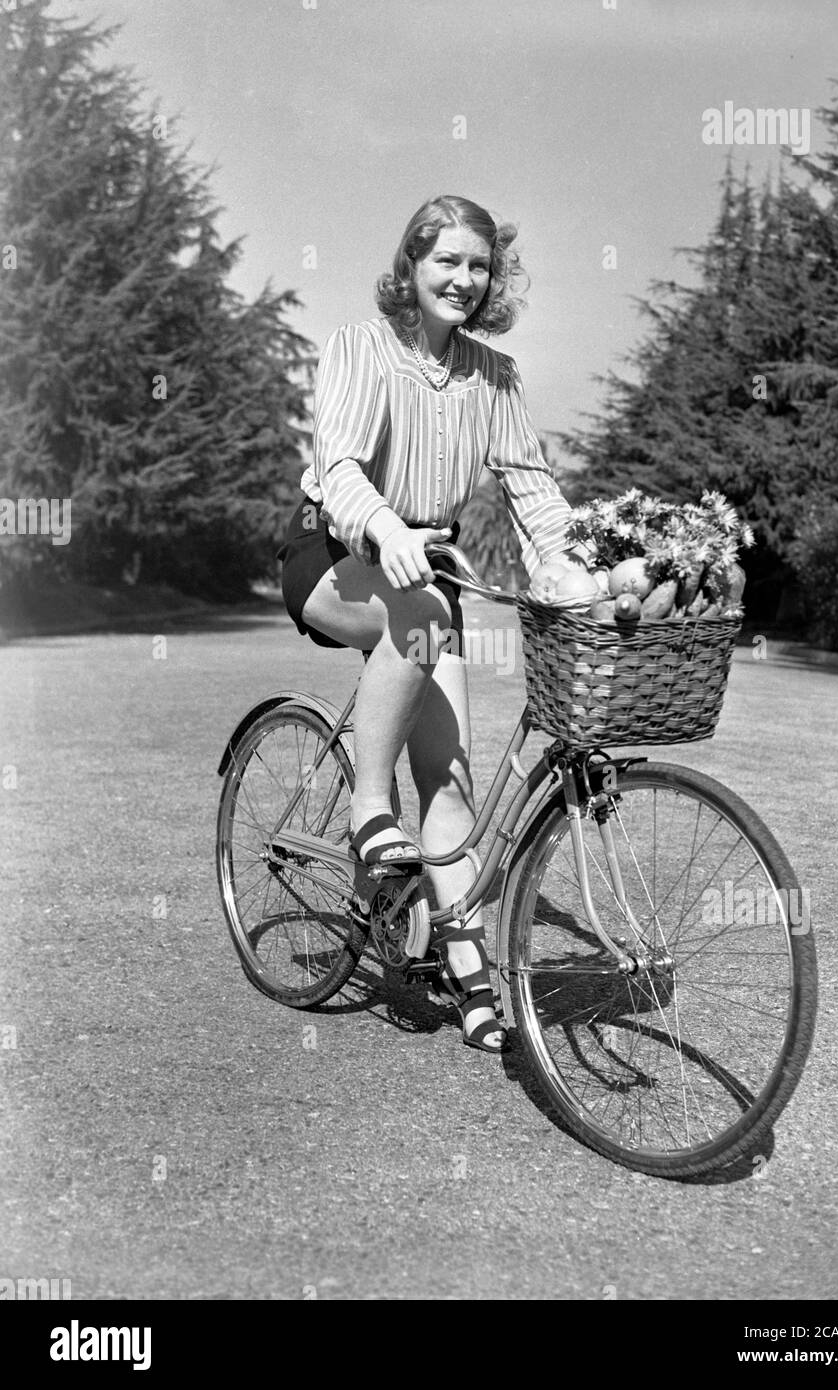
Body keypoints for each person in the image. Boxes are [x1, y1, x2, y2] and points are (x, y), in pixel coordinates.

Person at [277, 194, 590, 1053]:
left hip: (427, 583)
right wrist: (384, 529)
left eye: (479, 265)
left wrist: (584, 575)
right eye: (446, 260)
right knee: (417, 613)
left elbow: (536, 497)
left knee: (451, 780)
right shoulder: (358, 347)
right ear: (410, 266)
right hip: (334, 552)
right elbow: (335, 464)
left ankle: (469, 970)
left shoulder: (495, 376)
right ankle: (369, 812)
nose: (463, 278)